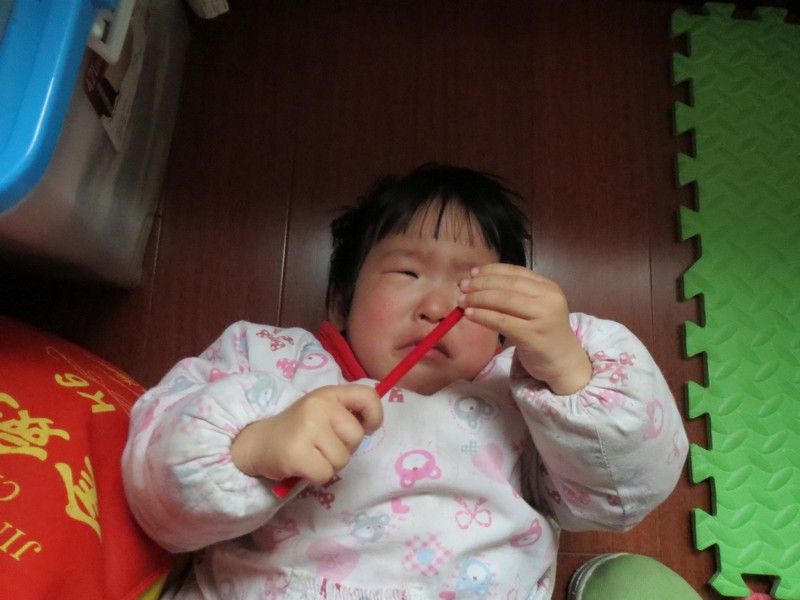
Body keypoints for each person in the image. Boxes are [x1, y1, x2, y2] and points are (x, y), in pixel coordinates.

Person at [122, 163, 689, 599]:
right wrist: (252, 448)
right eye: (407, 272)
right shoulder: (271, 360)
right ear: (341, 301)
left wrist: (569, 371)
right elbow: (153, 499)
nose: (436, 307)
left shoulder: (522, 399)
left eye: (471, 291)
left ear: (502, 333)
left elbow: (619, 497)